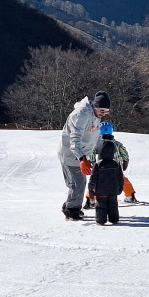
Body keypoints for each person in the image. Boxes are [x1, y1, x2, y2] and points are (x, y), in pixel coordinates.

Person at [58, 91, 110, 221]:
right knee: (78, 183)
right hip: (71, 153)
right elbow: (74, 139)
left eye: (106, 112)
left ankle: (71, 205)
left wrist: (104, 149)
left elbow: (96, 136)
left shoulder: (95, 114)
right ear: (95, 106)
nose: (103, 114)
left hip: (82, 153)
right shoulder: (81, 115)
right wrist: (82, 159)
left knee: (77, 183)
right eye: (102, 110)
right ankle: (71, 210)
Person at [85, 122, 137, 208]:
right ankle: (130, 196)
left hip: (101, 168)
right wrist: (125, 162)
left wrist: (93, 165)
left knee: (96, 183)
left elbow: (92, 155)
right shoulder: (117, 144)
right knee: (122, 180)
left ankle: (90, 200)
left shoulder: (97, 144)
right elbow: (125, 153)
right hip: (116, 168)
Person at [89, 139, 124, 225]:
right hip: (113, 191)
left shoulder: (98, 165)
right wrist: (120, 187)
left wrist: (91, 189)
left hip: (101, 192)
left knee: (101, 206)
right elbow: (120, 177)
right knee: (113, 206)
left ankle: (101, 220)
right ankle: (114, 219)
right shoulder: (116, 164)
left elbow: (93, 178)